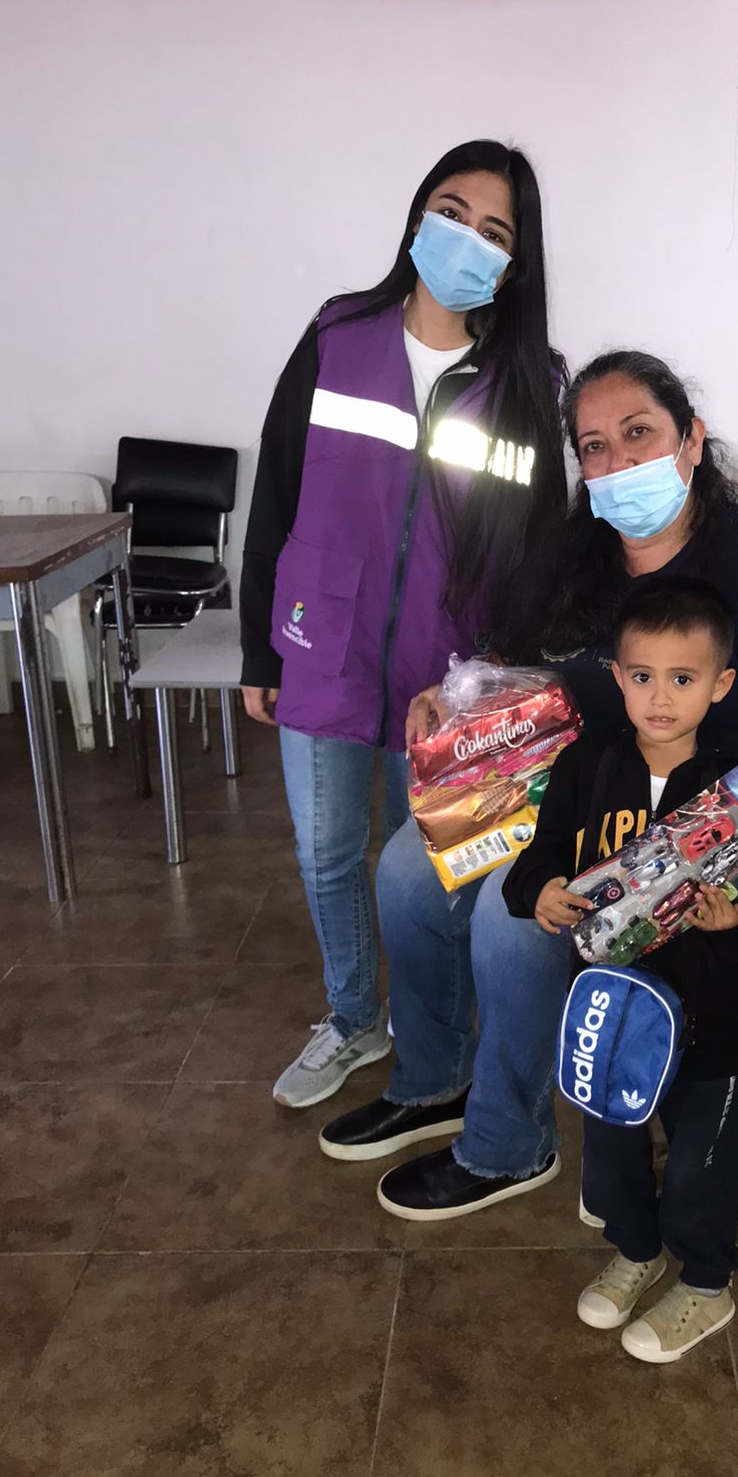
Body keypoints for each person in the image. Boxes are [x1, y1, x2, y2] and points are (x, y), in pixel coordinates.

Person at [320, 348, 738, 1220]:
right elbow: (522, 671)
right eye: (595, 446)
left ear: (692, 442)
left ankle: (509, 1145)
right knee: (407, 874)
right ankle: (436, 1081)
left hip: (731, 821)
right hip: (584, 794)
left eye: (639, 433)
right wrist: (456, 700)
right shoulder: (574, 560)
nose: (617, 461)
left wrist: (718, 849)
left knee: (513, 921)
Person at [239, 140, 566, 1109]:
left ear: (514, 264)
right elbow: (276, 490)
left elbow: (537, 545)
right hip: (324, 644)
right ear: (420, 213)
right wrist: (260, 645)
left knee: (431, 871)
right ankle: (352, 1019)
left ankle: (440, 1043)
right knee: (328, 852)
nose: (467, 239)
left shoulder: (527, 384)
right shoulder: (338, 334)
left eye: (495, 232)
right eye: (453, 212)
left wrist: (501, 676)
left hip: (447, 670)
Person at [503, 581, 738, 1363]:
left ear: (720, 684)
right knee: (613, 1142)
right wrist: (540, 893)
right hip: (612, 1011)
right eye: (643, 676)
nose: (660, 698)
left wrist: (736, 923)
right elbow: (540, 859)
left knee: (700, 1160)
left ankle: (707, 1281)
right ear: (617, 677)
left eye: (683, 678)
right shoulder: (586, 765)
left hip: (709, 1018)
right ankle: (636, 1249)